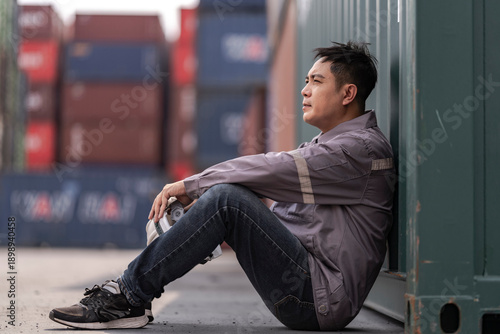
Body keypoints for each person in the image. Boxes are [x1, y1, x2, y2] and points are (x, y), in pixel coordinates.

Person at [49, 41, 395, 331]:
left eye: (316, 81)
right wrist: (192, 229)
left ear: (348, 93)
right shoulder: (327, 147)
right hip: (305, 284)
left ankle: (127, 297)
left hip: (315, 299)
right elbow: (272, 202)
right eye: (305, 80)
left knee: (227, 199)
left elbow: (271, 168)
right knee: (227, 198)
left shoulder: (358, 151)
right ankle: (134, 292)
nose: (304, 90)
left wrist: (193, 187)